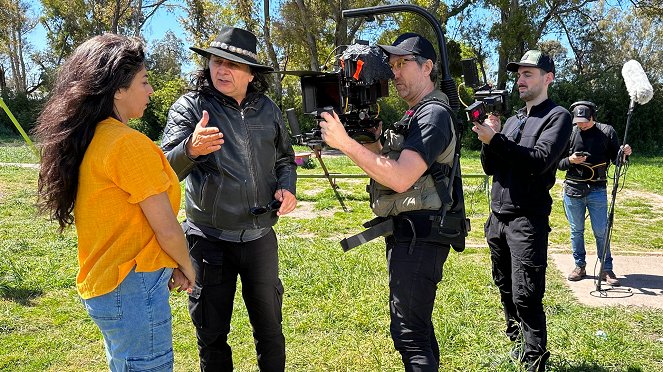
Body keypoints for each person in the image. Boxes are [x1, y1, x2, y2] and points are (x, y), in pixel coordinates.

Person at [33, 34, 195, 371]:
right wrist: (188, 266)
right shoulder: (127, 145)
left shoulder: (91, 136)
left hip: (109, 283)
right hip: (132, 288)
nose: (151, 91)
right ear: (118, 89)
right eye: (144, 81)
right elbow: (166, 229)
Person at [320, 32, 466, 372]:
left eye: (403, 64)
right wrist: (368, 141)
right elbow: (387, 163)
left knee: (408, 334)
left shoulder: (432, 115)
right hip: (408, 233)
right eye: (392, 65)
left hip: (421, 235)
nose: (394, 72)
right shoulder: (416, 115)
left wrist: (344, 143)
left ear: (427, 67)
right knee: (416, 327)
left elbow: (400, 177)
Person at [161, 26, 297, 371]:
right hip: (208, 240)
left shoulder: (268, 109)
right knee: (211, 334)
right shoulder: (190, 106)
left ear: (251, 75)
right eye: (216, 61)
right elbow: (162, 169)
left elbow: (284, 158)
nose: (222, 70)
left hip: (260, 238)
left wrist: (287, 186)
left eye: (233, 65)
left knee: (270, 330)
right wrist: (190, 149)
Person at [471, 50, 572, 371]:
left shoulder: (558, 117)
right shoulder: (513, 119)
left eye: (529, 74)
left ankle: (535, 361)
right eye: (518, 75)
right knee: (504, 287)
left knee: (526, 294)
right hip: (497, 218)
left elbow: (540, 162)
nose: (520, 80)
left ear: (548, 78)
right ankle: (516, 346)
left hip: (527, 220)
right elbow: (490, 168)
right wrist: (491, 138)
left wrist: (496, 141)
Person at [558, 101, 632, 286]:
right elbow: (558, 164)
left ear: (593, 117)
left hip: (597, 190)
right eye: (577, 121)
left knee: (601, 231)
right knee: (577, 231)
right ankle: (579, 266)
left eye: (584, 121)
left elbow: (618, 161)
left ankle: (606, 268)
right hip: (573, 189)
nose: (580, 124)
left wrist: (624, 154)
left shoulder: (607, 132)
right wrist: (571, 160)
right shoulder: (569, 132)